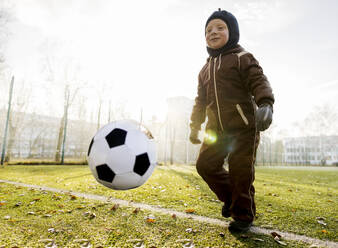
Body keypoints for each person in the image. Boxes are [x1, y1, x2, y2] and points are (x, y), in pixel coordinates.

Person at [189, 8, 274, 232]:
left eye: (220, 28)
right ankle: (232, 200)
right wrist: (195, 125)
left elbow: (258, 79)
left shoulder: (242, 57)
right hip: (215, 130)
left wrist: (265, 103)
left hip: (243, 128)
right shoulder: (204, 70)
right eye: (208, 30)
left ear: (232, 32)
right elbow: (200, 101)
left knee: (240, 173)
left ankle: (243, 215)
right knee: (204, 165)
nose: (213, 32)